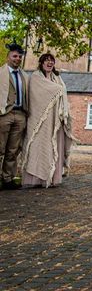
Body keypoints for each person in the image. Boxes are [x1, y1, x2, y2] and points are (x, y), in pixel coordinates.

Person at [21, 53, 76, 188]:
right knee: (38, 146)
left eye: (52, 61)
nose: (49, 63)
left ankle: (52, 178)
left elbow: (62, 93)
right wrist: (58, 91)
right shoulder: (35, 77)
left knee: (54, 147)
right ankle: (36, 178)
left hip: (56, 121)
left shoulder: (57, 78)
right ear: (41, 63)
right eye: (46, 60)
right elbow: (37, 98)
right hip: (40, 119)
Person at [0, 44, 29, 190]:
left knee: (13, 150)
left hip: (20, 114)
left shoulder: (24, 76)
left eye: (19, 56)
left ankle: (8, 179)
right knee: (0, 148)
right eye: (14, 56)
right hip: (4, 114)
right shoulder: (1, 73)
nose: (17, 59)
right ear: (8, 57)